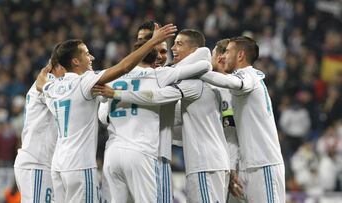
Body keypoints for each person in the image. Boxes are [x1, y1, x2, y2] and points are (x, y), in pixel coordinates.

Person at [35, 24, 177, 203]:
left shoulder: (53, 87)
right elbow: (124, 67)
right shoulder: (85, 82)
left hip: (58, 165)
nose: (92, 56)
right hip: (79, 166)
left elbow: (41, 84)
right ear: (75, 61)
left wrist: (47, 70)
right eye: (86, 53)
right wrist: (153, 42)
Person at [99, 29, 230, 203]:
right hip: (148, 154)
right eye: (159, 51)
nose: (164, 55)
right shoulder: (162, 76)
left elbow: (102, 111)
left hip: (116, 152)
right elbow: (204, 61)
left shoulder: (115, 75)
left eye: (165, 50)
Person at [200, 36, 285, 202]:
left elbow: (237, 84)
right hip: (247, 165)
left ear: (240, 55)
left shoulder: (250, 76)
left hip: (263, 164)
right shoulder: (236, 85)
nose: (224, 56)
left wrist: (199, 71)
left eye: (228, 52)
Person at [14, 43, 66, 203]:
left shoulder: (47, 82)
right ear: (58, 66)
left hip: (43, 164)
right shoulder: (49, 83)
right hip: (36, 163)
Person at [210, 39, 243, 203]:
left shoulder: (230, 91)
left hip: (226, 166)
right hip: (209, 162)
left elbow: (230, 135)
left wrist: (230, 169)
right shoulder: (202, 85)